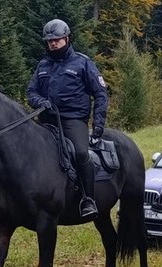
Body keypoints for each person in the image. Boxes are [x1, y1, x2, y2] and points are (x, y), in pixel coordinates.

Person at [27, 18, 108, 220]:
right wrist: (40, 102)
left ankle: (88, 199)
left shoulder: (83, 63)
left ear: (67, 38)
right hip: (46, 120)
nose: (53, 43)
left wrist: (98, 125)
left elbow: (100, 94)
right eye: (50, 40)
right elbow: (31, 91)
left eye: (57, 39)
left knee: (81, 153)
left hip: (73, 121)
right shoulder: (43, 65)